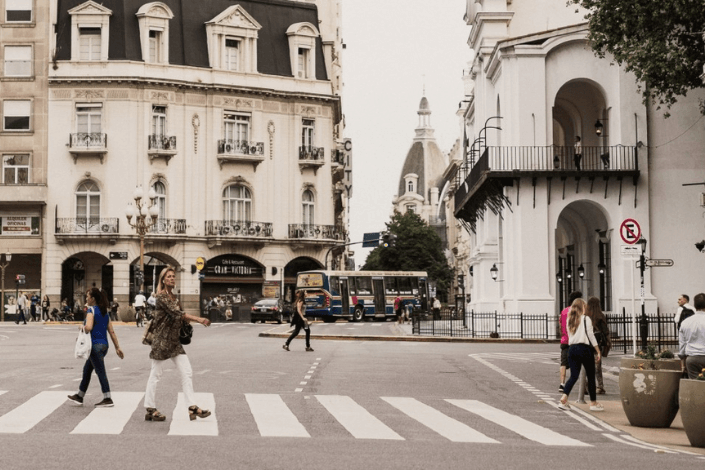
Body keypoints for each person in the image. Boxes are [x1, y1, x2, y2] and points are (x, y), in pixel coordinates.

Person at [144, 266, 211, 422]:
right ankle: (150, 408)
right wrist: (199, 319)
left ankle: (192, 407)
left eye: (173, 276)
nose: (172, 279)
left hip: (174, 342)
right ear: (163, 280)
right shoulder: (161, 297)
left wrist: (188, 323)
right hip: (161, 341)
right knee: (155, 375)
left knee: (187, 372)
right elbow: (177, 314)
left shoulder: (174, 297)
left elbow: (180, 317)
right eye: (169, 277)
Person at [67, 287, 124, 407]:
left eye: (88, 296)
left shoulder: (91, 310)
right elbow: (111, 331)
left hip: (94, 347)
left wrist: (81, 327)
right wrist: (117, 347)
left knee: (100, 372)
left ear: (93, 299)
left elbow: (88, 327)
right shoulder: (104, 313)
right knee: (87, 370)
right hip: (104, 346)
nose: (86, 298)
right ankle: (80, 396)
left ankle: (107, 398)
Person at [558, 298, 603, 411]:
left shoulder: (569, 320)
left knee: (573, 376)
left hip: (572, 349)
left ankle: (564, 398)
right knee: (591, 376)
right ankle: (593, 403)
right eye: (585, 305)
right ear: (582, 307)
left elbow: (569, 335)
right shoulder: (585, 319)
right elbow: (591, 335)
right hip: (584, 348)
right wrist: (597, 350)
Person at [586, 297, 610, 394]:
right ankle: (600, 386)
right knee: (597, 367)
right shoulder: (600, 316)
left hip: (587, 344)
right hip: (597, 345)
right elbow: (605, 331)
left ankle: (586, 386)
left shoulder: (586, 316)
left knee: (587, 366)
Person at [559, 291, 582, 393]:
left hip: (564, 340)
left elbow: (560, 325)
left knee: (563, 363)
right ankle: (582, 385)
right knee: (578, 363)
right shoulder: (578, 312)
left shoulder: (564, 311)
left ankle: (562, 383)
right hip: (575, 340)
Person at [679, 293, 705, 379]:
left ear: (695, 305)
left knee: (696, 387)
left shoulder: (685, 322)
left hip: (692, 359)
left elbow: (682, 345)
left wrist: (683, 364)